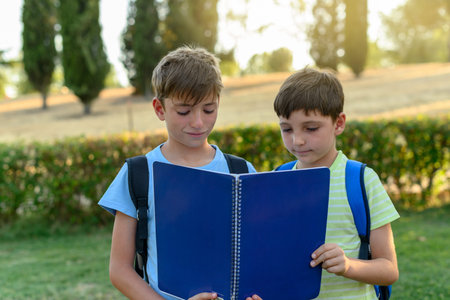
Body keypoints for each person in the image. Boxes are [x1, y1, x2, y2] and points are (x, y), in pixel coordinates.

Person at [99, 46, 261, 300]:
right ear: (159, 109)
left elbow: (257, 252)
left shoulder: (241, 171)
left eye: (209, 109)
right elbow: (119, 270)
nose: (198, 122)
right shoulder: (138, 174)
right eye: (184, 111)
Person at [273, 67, 400, 299]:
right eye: (286, 129)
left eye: (311, 128)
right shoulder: (278, 179)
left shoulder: (362, 180)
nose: (297, 140)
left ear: (338, 123)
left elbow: (389, 269)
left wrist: (348, 265)